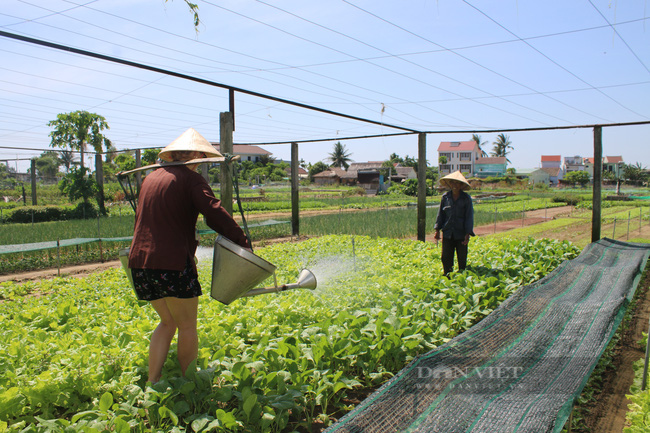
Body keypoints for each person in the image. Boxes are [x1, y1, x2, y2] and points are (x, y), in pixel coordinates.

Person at [128, 128, 250, 383]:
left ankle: (153, 380)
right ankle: (188, 383)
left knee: (167, 322)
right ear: (195, 155)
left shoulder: (150, 178)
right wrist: (242, 242)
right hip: (171, 266)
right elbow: (214, 211)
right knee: (186, 326)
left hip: (140, 264)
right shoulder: (190, 179)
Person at [433, 171, 475, 276]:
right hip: (447, 232)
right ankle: (448, 276)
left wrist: (467, 233)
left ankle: (462, 276)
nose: (454, 185)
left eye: (457, 183)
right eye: (452, 183)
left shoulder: (466, 199)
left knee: (462, 258)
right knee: (446, 257)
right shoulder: (445, 197)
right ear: (450, 184)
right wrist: (437, 229)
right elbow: (441, 214)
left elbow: (469, 217)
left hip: (461, 233)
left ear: (461, 185)